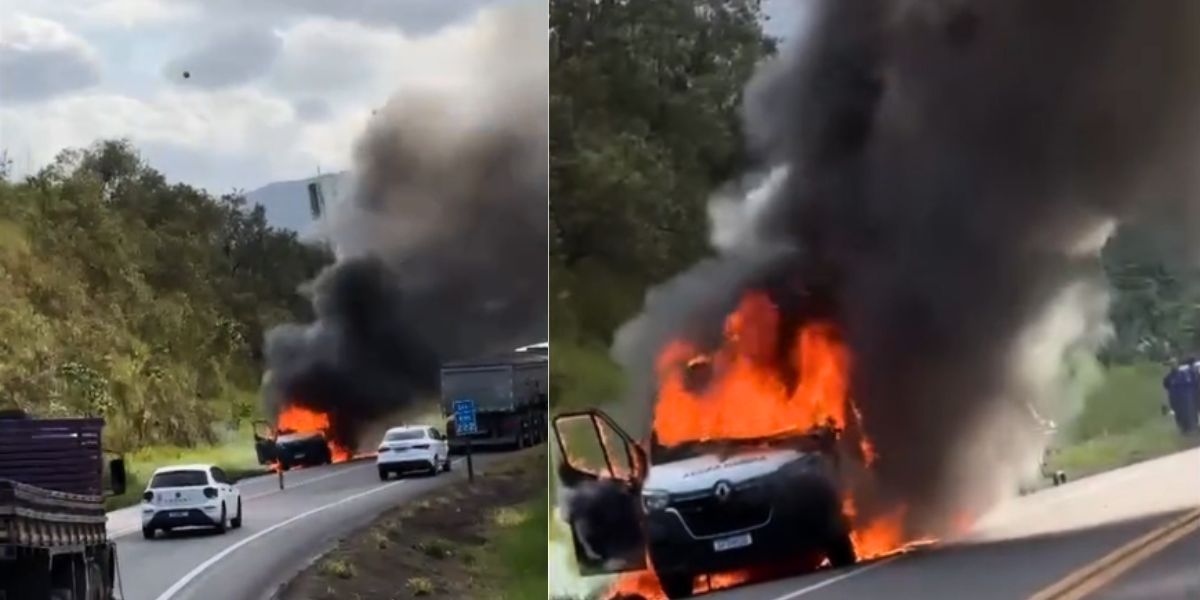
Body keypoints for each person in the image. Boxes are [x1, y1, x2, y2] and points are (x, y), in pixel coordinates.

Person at [1163, 358, 1198, 435]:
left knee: (1188, 412)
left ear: (1177, 364)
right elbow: (1166, 386)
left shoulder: (1183, 374)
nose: (1173, 366)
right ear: (1170, 366)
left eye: (1174, 364)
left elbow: (1190, 384)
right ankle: (1183, 429)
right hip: (1175, 399)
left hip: (1185, 397)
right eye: (1171, 364)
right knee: (1178, 414)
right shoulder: (1168, 377)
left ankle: (1191, 428)